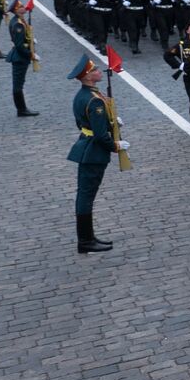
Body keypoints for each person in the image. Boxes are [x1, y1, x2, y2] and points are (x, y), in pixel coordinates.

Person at [66, 54, 126, 253]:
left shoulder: (83, 96)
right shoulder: (94, 101)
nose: (100, 72)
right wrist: (116, 145)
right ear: (88, 76)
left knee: (86, 194)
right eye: (95, 70)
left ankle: (88, 237)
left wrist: (111, 121)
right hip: (93, 152)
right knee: (86, 195)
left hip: (86, 145)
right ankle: (85, 241)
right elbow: (100, 135)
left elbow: (80, 123)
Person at [6, 0, 38, 117]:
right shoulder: (18, 24)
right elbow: (19, 45)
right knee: (18, 84)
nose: (24, 7)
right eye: (21, 6)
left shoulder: (19, 20)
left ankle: (22, 108)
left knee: (20, 83)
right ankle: (21, 109)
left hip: (20, 56)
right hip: (19, 57)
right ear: (16, 9)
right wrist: (31, 54)